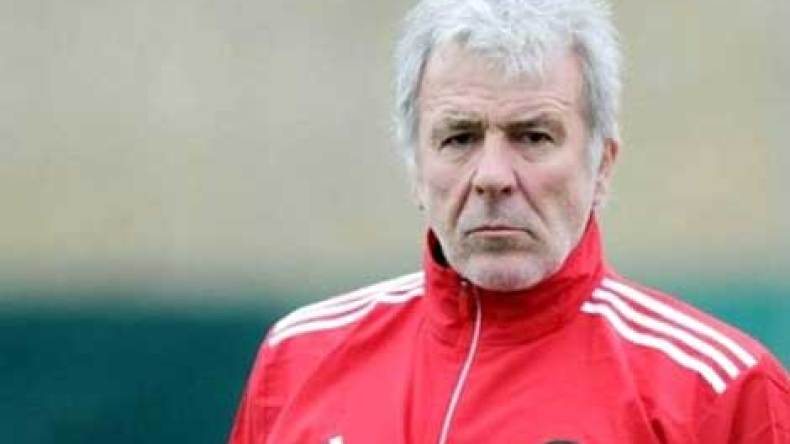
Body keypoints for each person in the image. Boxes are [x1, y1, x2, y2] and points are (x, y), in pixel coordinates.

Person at [229, 0, 790, 442]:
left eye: (533, 136)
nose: (492, 176)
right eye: (460, 138)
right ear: (416, 168)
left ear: (601, 165)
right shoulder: (299, 356)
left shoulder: (720, 391)